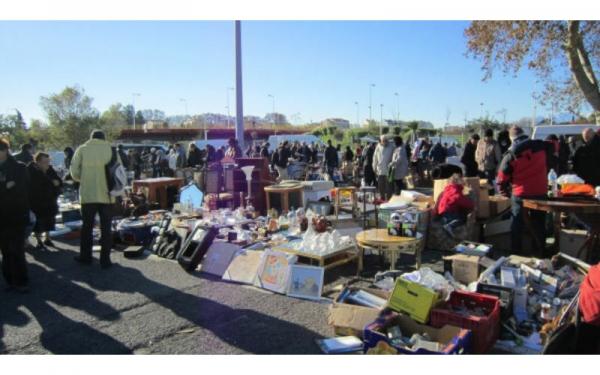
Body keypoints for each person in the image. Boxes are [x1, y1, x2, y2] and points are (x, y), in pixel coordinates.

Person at [497, 126, 550, 255]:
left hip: (521, 194)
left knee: (517, 224)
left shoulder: (511, 154)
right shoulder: (541, 146)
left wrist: (504, 192)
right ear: (524, 134)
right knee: (539, 224)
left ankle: (517, 254)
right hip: (540, 191)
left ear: (511, 138)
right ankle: (540, 252)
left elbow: (501, 178)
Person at [70, 130, 118, 269]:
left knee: (87, 227)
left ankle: (85, 257)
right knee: (106, 228)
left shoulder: (82, 149)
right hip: (107, 195)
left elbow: (74, 171)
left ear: (90, 138)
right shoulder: (111, 149)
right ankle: (105, 260)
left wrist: (83, 179)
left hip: (88, 195)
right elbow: (118, 170)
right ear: (104, 139)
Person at [0, 138, 30, 293]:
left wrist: (5, 188)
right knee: (5, 250)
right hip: (2, 216)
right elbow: (9, 187)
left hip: (16, 214)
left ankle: (22, 281)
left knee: (17, 249)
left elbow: (21, 191)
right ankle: (10, 280)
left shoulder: (18, 167)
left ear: (5, 150)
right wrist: (6, 186)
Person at [27, 152, 62, 250]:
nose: (46, 164)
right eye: (44, 162)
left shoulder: (50, 169)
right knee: (38, 222)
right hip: (36, 201)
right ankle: (39, 240)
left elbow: (58, 180)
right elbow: (34, 186)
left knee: (50, 219)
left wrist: (57, 182)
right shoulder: (30, 170)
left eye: (48, 161)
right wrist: (52, 182)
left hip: (50, 200)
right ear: (37, 162)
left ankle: (48, 238)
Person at [435, 173, 475, 238]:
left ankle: (445, 220)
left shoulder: (448, 189)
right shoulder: (455, 190)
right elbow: (460, 199)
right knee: (462, 218)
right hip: (449, 211)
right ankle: (450, 225)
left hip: (443, 211)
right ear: (458, 181)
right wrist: (471, 205)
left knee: (454, 214)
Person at [372, 135, 395, 200]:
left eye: (386, 140)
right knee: (380, 185)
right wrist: (374, 167)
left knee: (389, 186)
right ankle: (382, 198)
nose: (385, 142)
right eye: (383, 141)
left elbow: (394, 156)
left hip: (389, 170)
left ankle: (389, 199)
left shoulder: (392, 147)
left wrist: (393, 164)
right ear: (381, 141)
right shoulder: (378, 147)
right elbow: (375, 157)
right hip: (380, 169)